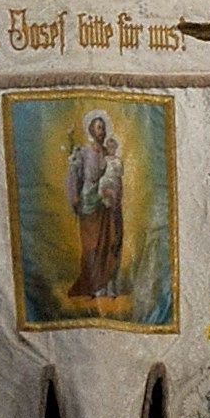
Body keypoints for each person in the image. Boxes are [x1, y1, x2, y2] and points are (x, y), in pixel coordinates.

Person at [65, 111, 127, 306]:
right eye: (98, 128)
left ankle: (105, 284)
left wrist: (113, 195)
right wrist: (74, 198)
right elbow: (74, 176)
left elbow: (115, 178)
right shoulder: (83, 153)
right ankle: (92, 283)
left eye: (103, 128)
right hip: (88, 205)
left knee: (108, 243)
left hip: (106, 205)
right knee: (91, 246)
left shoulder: (110, 155)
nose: (101, 131)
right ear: (91, 130)